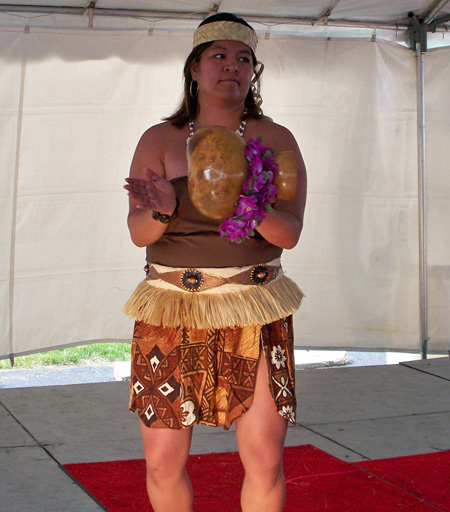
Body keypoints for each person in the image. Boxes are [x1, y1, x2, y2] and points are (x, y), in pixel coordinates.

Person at [123, 12, 307, 512]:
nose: (232, 66)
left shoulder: (276, 138)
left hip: (254, 305)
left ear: (254, 73)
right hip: (170, 306)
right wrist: (163, 205)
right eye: (219, 56)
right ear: (194, 69)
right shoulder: (159, 140)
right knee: (162, 461)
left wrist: (247, 201)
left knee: (265, 458)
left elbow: (289, 234)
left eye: (244, 58)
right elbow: (138, 230)